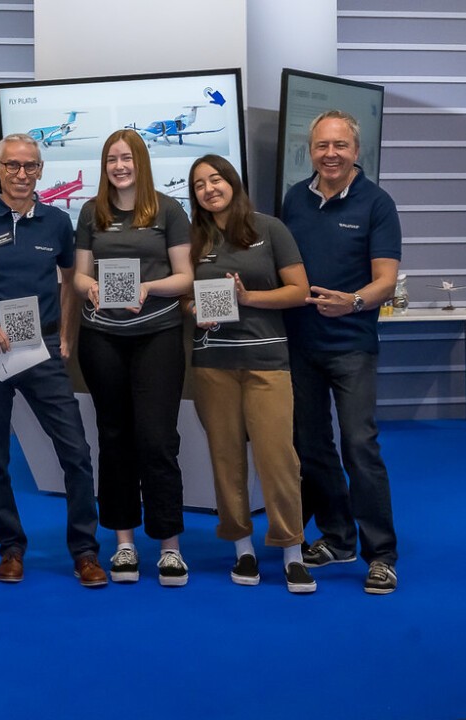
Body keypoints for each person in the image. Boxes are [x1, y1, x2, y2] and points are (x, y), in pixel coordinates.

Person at [0, 133, 107, 588]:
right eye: (12, 166)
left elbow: (72, 279)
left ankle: (85, 551)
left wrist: (68, 338)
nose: (21, 174)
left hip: (42, 349)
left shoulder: (57, 221)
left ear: (40, 170)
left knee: (75, 451)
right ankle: (10, 547)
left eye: (30, 166)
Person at [281, 110, 402, 595]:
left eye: (340, 146)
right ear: (310, 151)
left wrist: (351, 302)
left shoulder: (377, 203)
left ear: (356, 151)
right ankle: (337, 538)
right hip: (299, 346)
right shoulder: (293, 199)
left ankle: (382, 554)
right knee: (311, 448)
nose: (330, 154)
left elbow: (386, 282)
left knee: (358, 445)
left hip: (351, 345)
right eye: (321, 146)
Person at [184, 154, 315, 593]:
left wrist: (249, 298)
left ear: (232, 182)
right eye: (199, 184)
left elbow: (299, 291)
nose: (209, 189)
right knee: (226, 460)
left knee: (278, 459)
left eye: (215, 179)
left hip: (266, 363)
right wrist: (195, 311)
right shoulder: (194, 238)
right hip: (213, 366)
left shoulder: (269, 229)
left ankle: (292, 551)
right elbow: (185, 299)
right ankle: (243, 549)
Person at [71, 128, 194, 586]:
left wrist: (148, 287)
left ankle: (169, 546)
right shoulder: (90, 212)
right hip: (101, 338)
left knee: (158, 439)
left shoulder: (169, 210)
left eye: (127, 158)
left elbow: (185, 276)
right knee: (114, 436)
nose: (119, 167)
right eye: (111, 160)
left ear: (141, 162)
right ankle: (123, 543)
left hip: (156, 336)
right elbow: (79, 278)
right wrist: (94, 288)